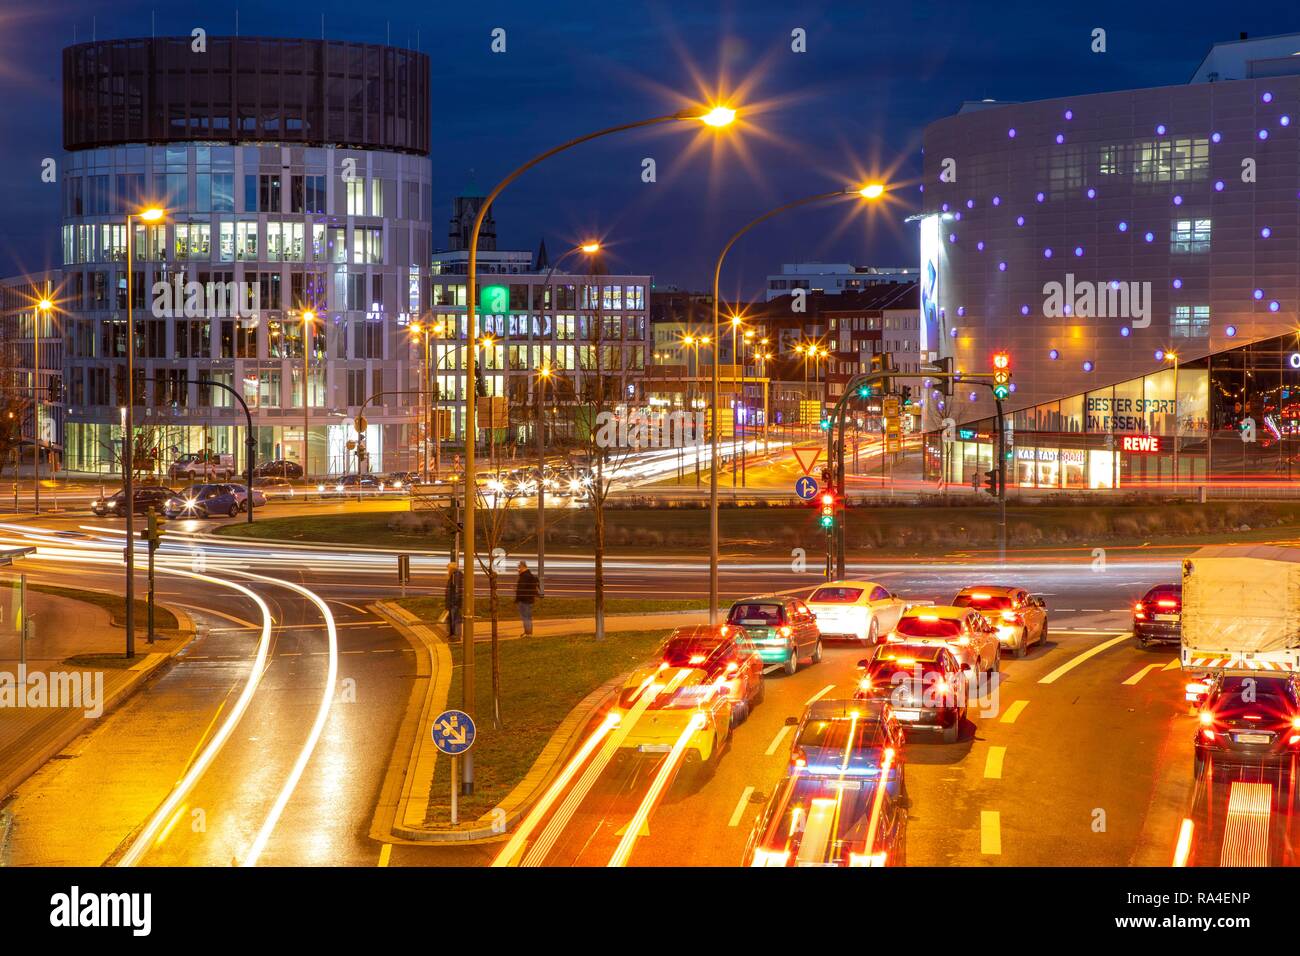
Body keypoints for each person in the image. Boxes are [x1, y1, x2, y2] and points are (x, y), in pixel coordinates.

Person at [514, 560, 539, 636]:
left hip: (524, 600)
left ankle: (528, 633)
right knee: (527, 617)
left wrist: (518, 599)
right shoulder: (528, 575)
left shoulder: (525, 576)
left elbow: (521, 589)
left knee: (526, 617)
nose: (518, 570)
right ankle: (528, 632)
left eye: (519, 568)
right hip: (528, 599)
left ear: (522, 567)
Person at [445, 561, 463, 639]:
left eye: (448, 568)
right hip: (452, 602)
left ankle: (456, 635)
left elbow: (456, 590)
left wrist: (453, 602)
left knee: (455, 619)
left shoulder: (455, 576)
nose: (447, 570)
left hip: (454, 602)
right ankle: (452, 634)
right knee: (452, 619)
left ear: (451, 568)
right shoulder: (453, 576)